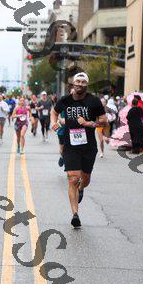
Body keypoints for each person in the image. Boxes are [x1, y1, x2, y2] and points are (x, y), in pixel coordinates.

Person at [51, 72, 106, 229]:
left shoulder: (94, 101)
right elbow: (54, 111)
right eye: (78, 81)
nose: (80, 84)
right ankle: (75, 214)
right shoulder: (65, 100)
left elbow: (103, 120)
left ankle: (81, 189)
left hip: (89, 147)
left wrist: (89, 123)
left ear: (86, 84)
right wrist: (54, 122)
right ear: (73, 84)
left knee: (85, 179)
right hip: (70, 146)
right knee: (73, 179)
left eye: (83, 82)